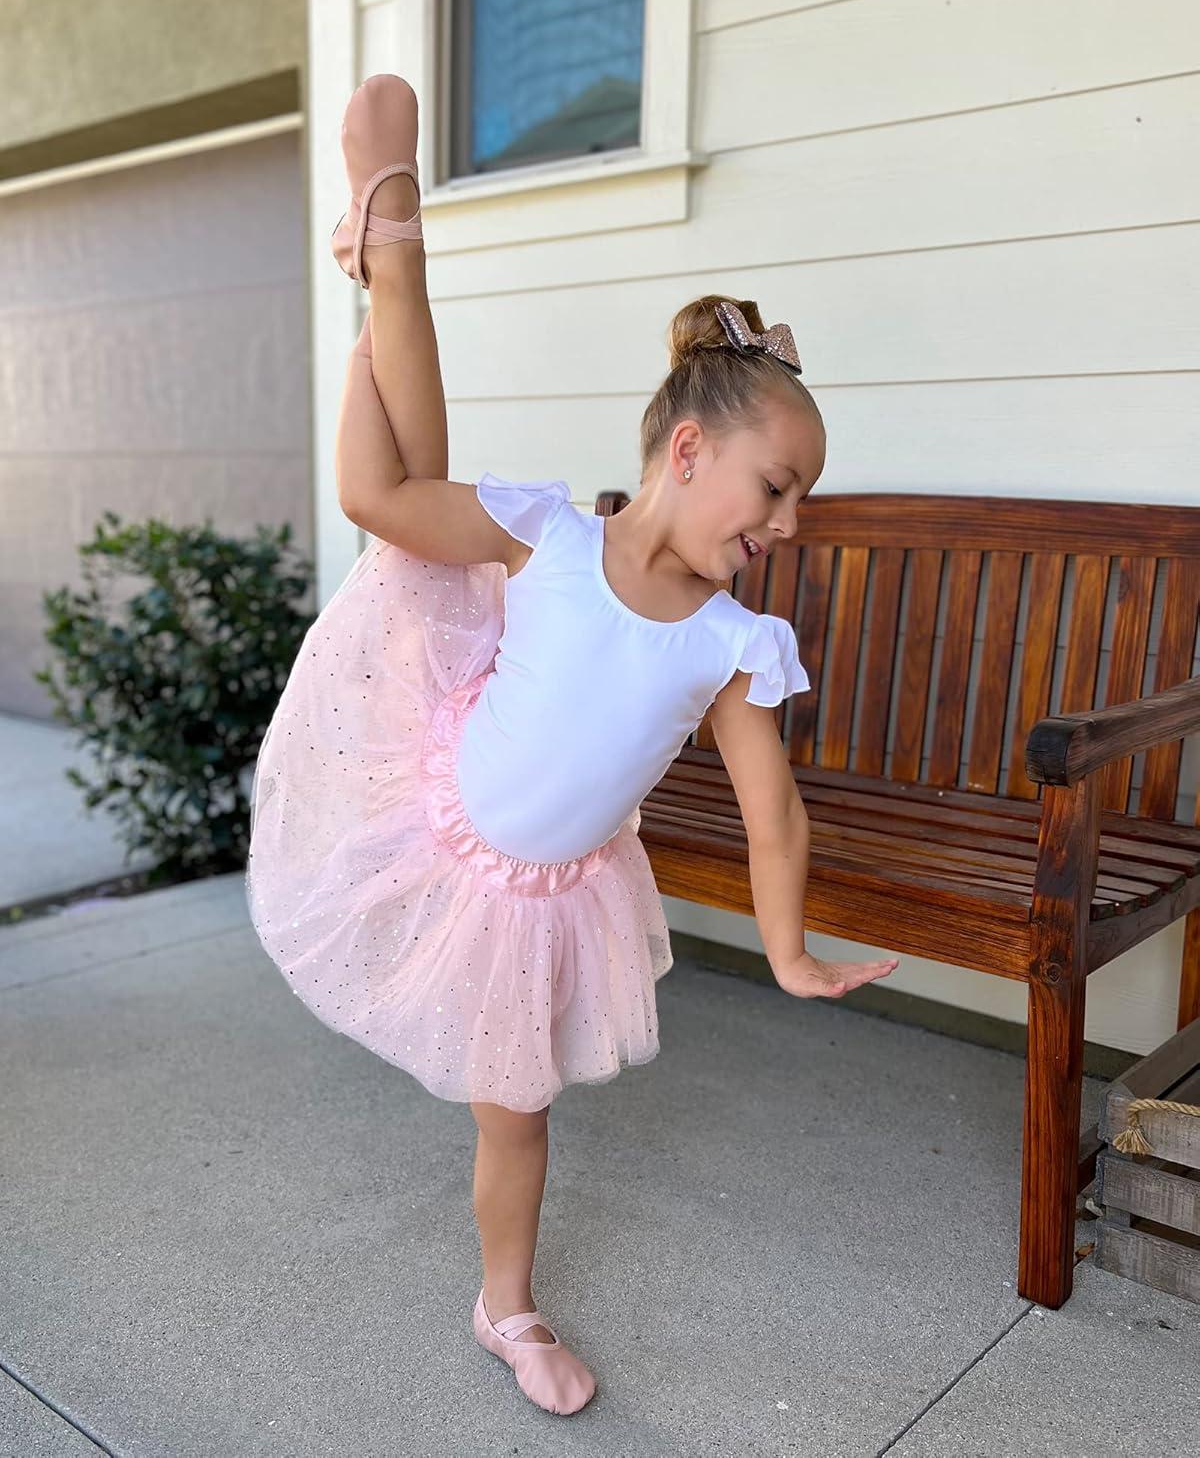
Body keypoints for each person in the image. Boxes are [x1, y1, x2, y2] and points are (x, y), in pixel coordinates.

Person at [245, 74, 899, 1418]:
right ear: (688, 449)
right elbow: (375, 492)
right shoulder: (546, 536)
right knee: (407, 530)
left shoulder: (731, 645)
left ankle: (508, 1305)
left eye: (802, 501)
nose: (789, 523)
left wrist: (788, 950)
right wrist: (371, 339)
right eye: (778, 488)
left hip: (542, 901)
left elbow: (773, 815)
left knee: (518, 1117)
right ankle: (391, 255)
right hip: (437, 809)